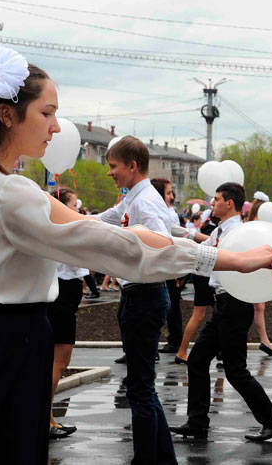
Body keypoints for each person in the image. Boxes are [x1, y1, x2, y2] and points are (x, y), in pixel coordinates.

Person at [0, 46, 272, 465]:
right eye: (47, 113)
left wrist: (217, 255)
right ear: (8, 115)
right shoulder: (8, 192)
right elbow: (117, 246)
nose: (54, 126)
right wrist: (230, 259)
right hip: (6, 347)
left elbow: (113, 235)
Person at [170, 183, 272, 442]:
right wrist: (175, 236)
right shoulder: (220, 231)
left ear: (229, 204)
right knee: (199, 359)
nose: (212, 204)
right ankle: (197, 422)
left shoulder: (239, 233)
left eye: (216, 200)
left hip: (235, 304)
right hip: (223, 305)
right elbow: (203, 249)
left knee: (236, 371)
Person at [98, 138, 184, 463]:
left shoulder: (144, 202)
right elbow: (106, 218)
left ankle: (145, 460)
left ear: (132, 166)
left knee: (139, 389)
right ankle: (164, 459)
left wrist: (140, 256)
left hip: (144, 295)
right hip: (140, 295)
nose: (110, 173)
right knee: (142, 386)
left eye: (113, 166)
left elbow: (163, 242)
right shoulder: (132, 198)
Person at [46, 187, 88, 440]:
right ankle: (46, 418)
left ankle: (47, 416)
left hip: (63, 302)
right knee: (57, 363)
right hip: (60, 302)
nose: (77, 209)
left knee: (58, 363)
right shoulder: (63, 231)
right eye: (73, 204)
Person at [173, 213, 219, 365]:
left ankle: (184, 351)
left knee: (207, 315)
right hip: (205, 277)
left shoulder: (215, 230)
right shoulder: (217, 231)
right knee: (204, 315)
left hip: (203, 275)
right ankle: (182, 351)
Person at [151, 178, 186, 356]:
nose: (171, 197)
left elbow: (173, 239)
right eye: (168, 193)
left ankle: (175, 340)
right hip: (165, 266)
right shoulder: (161, 211)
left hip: (168, 267)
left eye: (171, 193)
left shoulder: (169, 214)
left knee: (171, 306)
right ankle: (173, 339)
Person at [247, 190, 272, 357]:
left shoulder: (248, 222)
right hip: (259, 265)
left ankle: (265, 340)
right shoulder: (262, 224)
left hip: (251, 265)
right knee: (258, 307)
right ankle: (265, 340)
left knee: (256, 306)